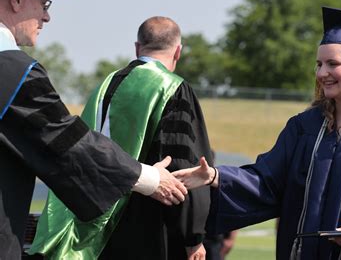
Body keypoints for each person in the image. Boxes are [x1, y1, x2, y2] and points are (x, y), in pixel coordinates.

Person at [173, 7, 341, 259]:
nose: (322, 72)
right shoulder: (304, 128)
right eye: (319, 64)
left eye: (332, 64)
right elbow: (267, 181)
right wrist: (216, 176)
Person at [0, 0, 187, 259]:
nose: (46, 17)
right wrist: (147, 178)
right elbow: (66, 141)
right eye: (44, 4)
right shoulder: (10, 71)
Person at [30, 16, 213, 259]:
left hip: (92, 228)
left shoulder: (105, 85)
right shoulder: (172, 88)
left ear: (137, 48)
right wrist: (193, 235)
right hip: (148, 230)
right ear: (178, 51)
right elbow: (182, 170)